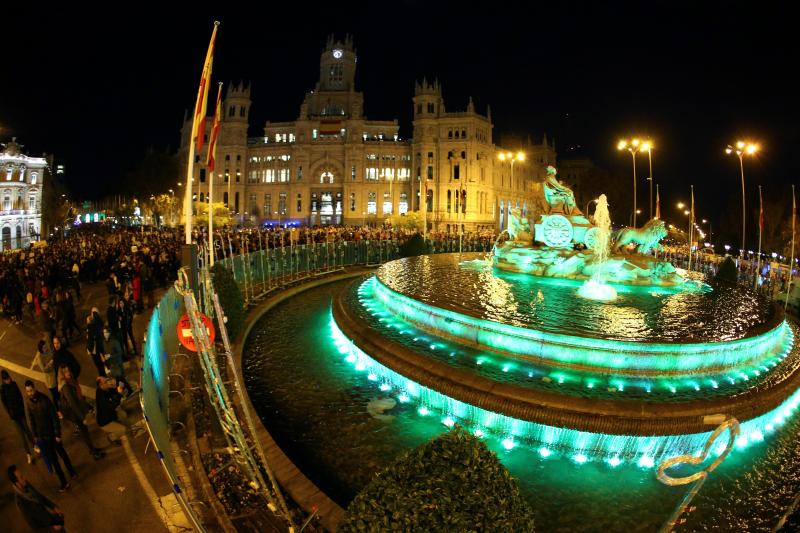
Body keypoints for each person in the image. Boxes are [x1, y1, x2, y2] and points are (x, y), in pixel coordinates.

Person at [25, 380, 77, 492]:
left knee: (62, 454)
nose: (30, 393)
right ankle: (64, 482)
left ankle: (71, 471)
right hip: (43, 437)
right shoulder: (28, 403)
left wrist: (57, 434)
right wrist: (35, 436)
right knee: (54, 461)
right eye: (28, 391)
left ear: (34, 388)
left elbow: (54, 417)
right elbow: (31, 419)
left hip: (53, 435)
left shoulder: (44, 400)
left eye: (31, 390)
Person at [57, 366, 104, 460]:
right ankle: (94, 453)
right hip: (74, 413)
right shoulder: (65, 386)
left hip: (76, 411)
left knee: (85, 432)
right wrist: (82, 418)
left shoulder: (70, 382)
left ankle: (93, 449)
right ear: (62, 375)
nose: (68, 373)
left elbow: (78, 398)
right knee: (85, 433)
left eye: (68, 370)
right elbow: (73, 403)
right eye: (65, 372)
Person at [8, 465, 66, 531]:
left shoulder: (25, 484)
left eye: (22, 475)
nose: (25, 478)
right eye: (21, 477)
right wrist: (52, 528)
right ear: (17, 484)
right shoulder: (21, 503)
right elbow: (35, 528)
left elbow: (39, 496)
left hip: (51, 520)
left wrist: (53, 507)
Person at [1, 370, 35, 464]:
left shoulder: (14, 384)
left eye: (8, 378)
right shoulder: (2, 389)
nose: (8, 380)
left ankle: (34, 445)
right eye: (6, 379)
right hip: (14, 417)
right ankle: (28, 454)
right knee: (22, 436)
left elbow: (20, 397)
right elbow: (4, 403)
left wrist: (22, 409)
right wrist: (10, 414)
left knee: (27, 430)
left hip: (20, 413)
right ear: (3, 380)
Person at [103, 326, 134, 396]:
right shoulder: (105, 342)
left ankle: (126, 391)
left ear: (109, 333)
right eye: (103, 333)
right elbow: (105, 352)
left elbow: (120, 353)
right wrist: (106, 360)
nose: (104, 334)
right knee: (119, 378)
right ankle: (125, 390)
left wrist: (110, 356)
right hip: (112, 364)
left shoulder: (114, 341)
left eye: (105, 332)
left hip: (117, 364)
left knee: (120, 378)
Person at [32, 339, 59, 407]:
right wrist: (50, 363)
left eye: (46, 346)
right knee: (55, 395)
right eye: (44, 347)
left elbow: (53, 356)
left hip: (56, 375)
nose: (46, 348)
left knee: (58, 392)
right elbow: (44, 370)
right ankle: (57, 409)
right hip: (50, 380)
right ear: (41, 349)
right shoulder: (39, 358)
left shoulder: (48, 351)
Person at [86, 307, 107, 376]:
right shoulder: (95, 326)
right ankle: (103, 374)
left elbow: (90, 339)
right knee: (100, 364)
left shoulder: (91, 328)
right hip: (95, 349)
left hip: (95, 350)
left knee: (99, 364)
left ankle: (103, 375)